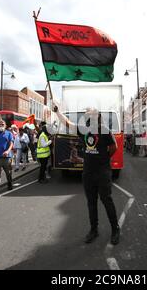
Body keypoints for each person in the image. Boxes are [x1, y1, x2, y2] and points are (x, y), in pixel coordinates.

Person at [54, 105, 121, 245]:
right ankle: (93, 230)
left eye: (92, 114)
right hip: (88, 172)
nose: (89, 117)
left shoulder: (105, 131)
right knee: (91, 202)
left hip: (102, 172)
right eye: (87, 115)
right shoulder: (83, 130)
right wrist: (57, 112)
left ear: (98, 116)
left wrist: (105, 158)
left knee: (106, 200)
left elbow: (114, 146)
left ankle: (115, 229)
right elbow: (67, 123)